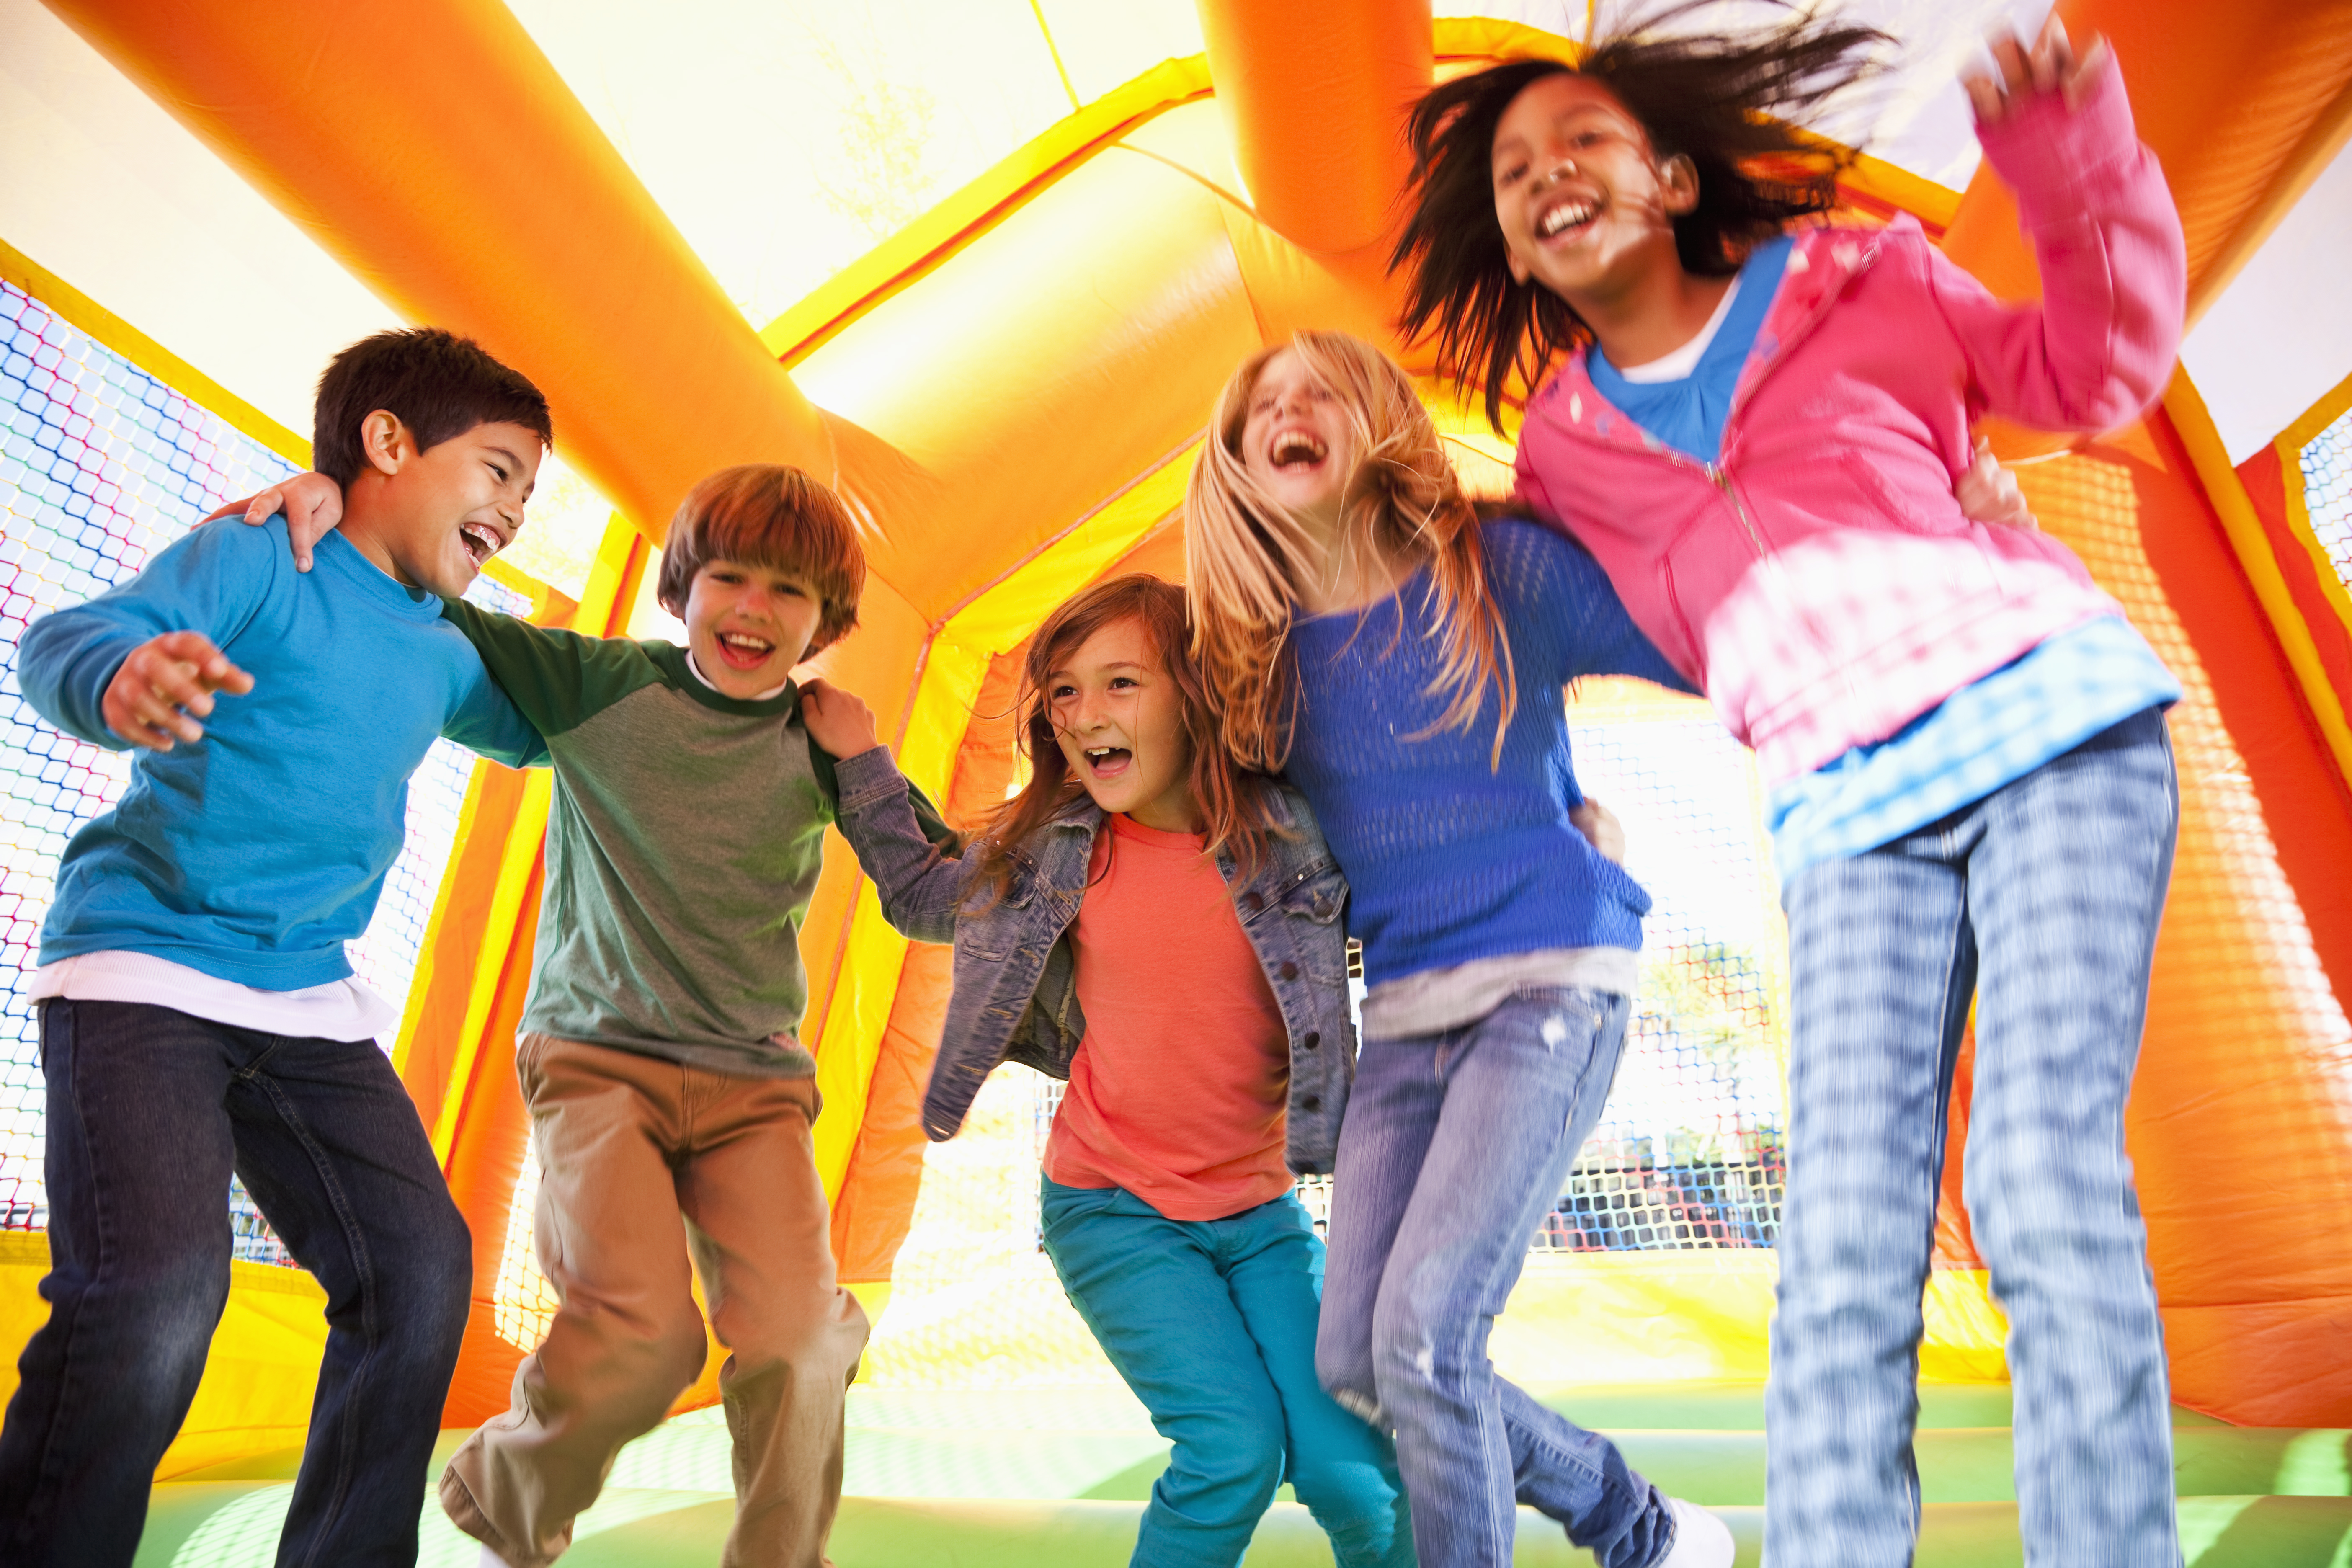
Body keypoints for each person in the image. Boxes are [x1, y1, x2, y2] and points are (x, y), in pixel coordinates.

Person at [1393, 10, 2188, 1565]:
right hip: (1842, 813)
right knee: (1838, 1247)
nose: (1547, 174)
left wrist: (2068, 165)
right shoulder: (1564, 453)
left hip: (2044, 726)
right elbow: (1662, 630)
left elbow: (2089, 368)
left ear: (1674, 174)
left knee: (2031, 1174)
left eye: (1582, 141)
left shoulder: (1863, 281)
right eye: (1511, 169)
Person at [230, 459, 951, 1568]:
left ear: (826, 620)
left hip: (755, 1090)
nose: (754, 611)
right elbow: (432, 607)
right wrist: (336, 513)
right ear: (684, 584)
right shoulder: (598, 685)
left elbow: (934, 896)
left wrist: (866, 766)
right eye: (731, 578)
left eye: (789, 593)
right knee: (645, 1337)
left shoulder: (824, 739)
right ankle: (510, 1501)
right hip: (597, 1065)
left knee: (805, 1346)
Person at [0, 327, 552, 1568]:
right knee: (157, 1295)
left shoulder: (447, 650)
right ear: (390, 443)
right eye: (501, 469)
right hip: (144, 968)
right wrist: (125, 676)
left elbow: (561, 719)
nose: (516, 508)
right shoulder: (267, 552)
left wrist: (723, 687)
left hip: (306, 1003)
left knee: (419, 1276)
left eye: (530, 489)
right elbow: (67, 641)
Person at [1183, 328, 1728, 1568]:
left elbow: (1706, 640)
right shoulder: (1256, 672)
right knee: (1360, 1362)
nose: (1292, 407)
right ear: (1236, 467)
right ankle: (1638, 1531)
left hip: (1549, 972)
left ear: (1375, 416)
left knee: (1428, 1331)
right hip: (1410, 1021)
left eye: (1321, 388)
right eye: (1261, 403)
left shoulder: (1495, 574)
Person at [797, 573, 1416, 1568]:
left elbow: (1419, 889)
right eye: (1065, 693)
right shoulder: (1059, 852)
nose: (1086, 716)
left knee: (1357, 1470)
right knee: (1233, 1449)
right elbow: (922, 892)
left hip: (1260, 1216)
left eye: (1120, 683)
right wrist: (862, 759)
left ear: (1197, 693)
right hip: (1112, 1206)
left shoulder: (1291, 839)